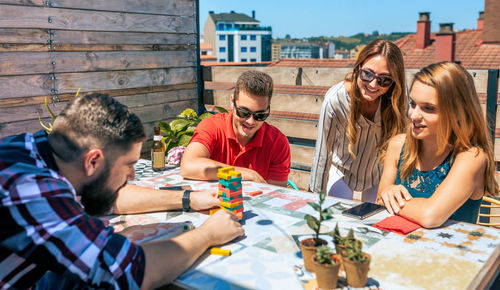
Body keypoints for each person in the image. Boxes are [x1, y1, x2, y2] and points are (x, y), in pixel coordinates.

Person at [0, 93, 244, 289]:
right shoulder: (30, 189)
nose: (132, 175)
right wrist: (208, 235)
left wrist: (189, 198)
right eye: (129, 164)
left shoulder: (40, 151)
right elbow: (128, 272)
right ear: (93, 161)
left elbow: (111, 197)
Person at [376, 62, 499, 228]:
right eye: (413, 104)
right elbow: (379, 201)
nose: (414, 115)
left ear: (457, 113)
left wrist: (391, 198)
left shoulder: (471, 157)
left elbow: (430, 216)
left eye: (428, 108)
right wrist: (385, 196)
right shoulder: (398, 146)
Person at [310, 39, 407, 202]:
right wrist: (315, 200)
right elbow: (323, 153)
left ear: (393, 81)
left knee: (376, 218)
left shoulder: (399, 98)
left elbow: (404, 145)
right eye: (367, 74)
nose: (373, 84)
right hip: (342, 168)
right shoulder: (336, 99)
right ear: (358, 68)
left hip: (378, 171)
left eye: (384, 80)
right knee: (337, 214)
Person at [180, 70, 291, 187]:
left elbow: (276, 193)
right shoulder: (212, 126)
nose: (250, 121)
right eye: (244, 112)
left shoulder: (277, 142)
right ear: (232, 102)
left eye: (260, 115)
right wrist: (245, 174)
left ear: (268, 109)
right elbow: (188, 166)